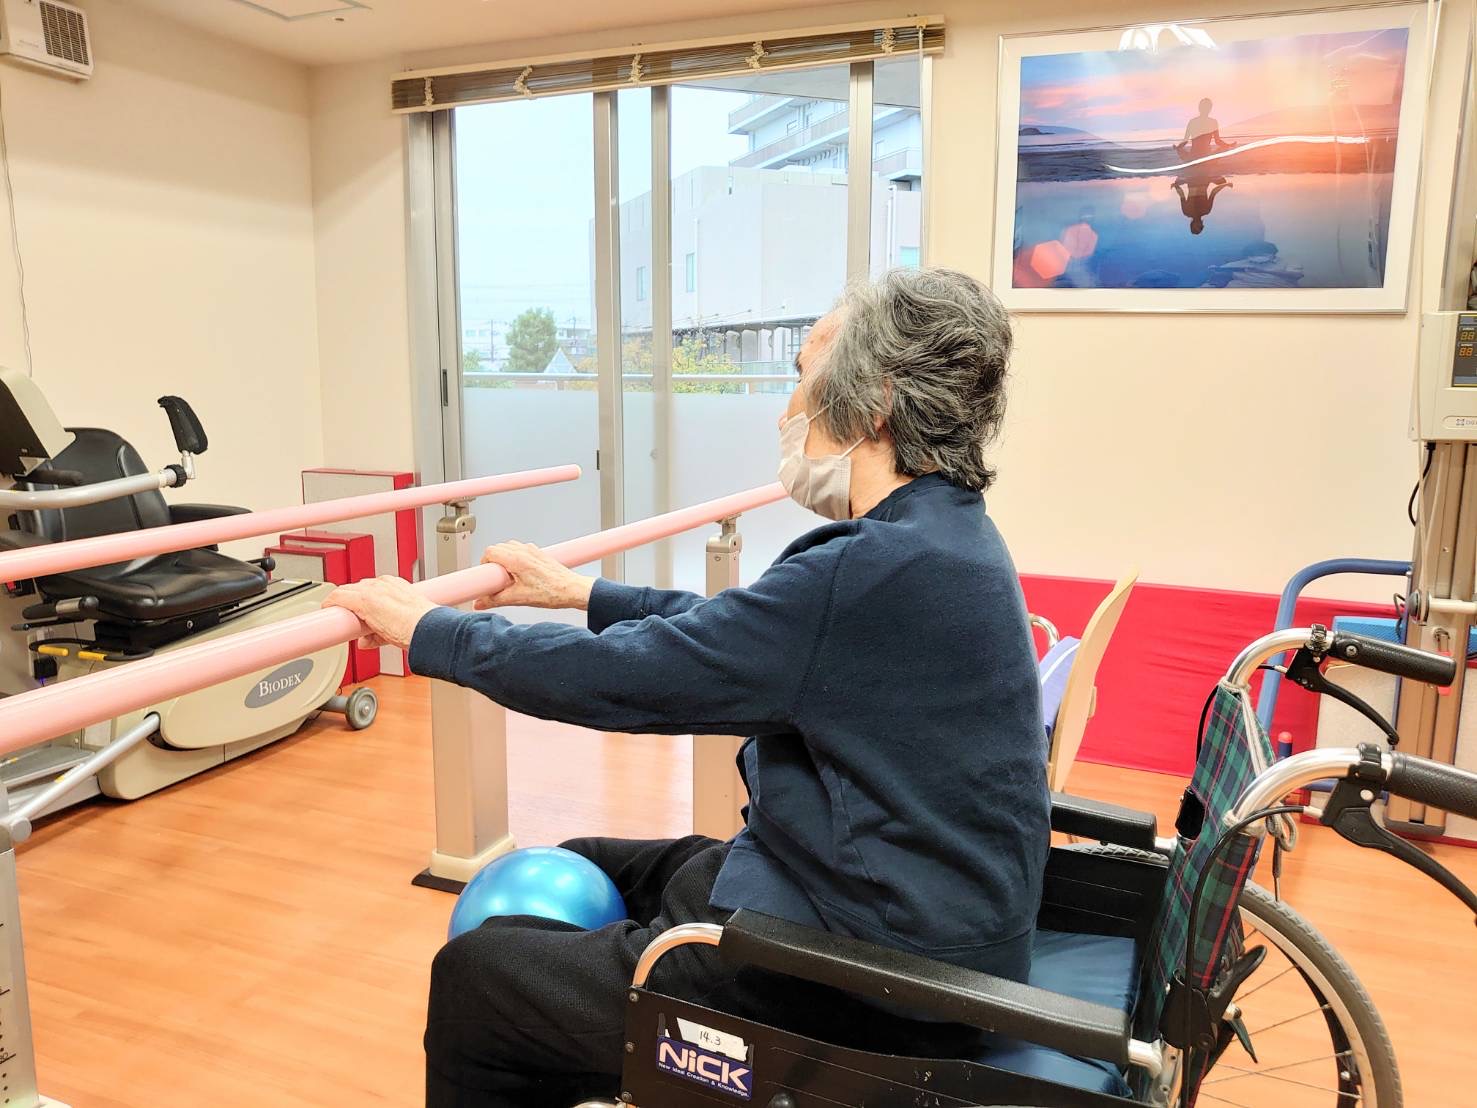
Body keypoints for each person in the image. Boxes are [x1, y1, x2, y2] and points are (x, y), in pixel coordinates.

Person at [325, 267, 1050, 1108]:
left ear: (876, 401)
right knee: (582, 859)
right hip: (883, 904)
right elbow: (749, 635)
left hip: (874, 978)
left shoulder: (872, 567)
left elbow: (627, 682)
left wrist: (428, 631)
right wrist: (584, 594)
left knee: (477, 977)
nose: (787, 412)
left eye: (803, 379)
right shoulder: (940, 536)